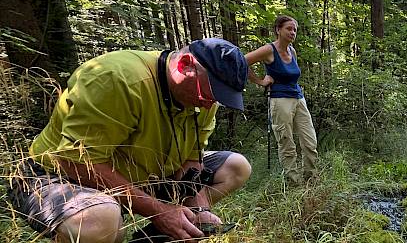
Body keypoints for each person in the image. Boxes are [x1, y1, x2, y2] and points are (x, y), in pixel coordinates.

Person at [9, 38, 252, 243]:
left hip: (143, 172)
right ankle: (113, 226)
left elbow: (190, 157)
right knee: (99, 219)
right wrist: (159, 211)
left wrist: (198, 208)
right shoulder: (116, 79)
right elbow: (77, 162)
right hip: (56, 176)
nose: (210, 103)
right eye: (208, 93)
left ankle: (166, 231)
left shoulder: (202, 98)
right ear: (185, 64)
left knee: (235, 167)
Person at [245, 16, 319, 186]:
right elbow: (242, 61)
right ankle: (293, 183)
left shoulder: (292, 51)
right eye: (289, 29)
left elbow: (293, 74)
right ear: (278, 30)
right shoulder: (269, 50)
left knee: (310, 142)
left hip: (298, 98)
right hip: (280, 100)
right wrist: (260, 81)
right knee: (286, 143)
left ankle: (311, 181)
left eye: (295, 30)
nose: (292, 32)